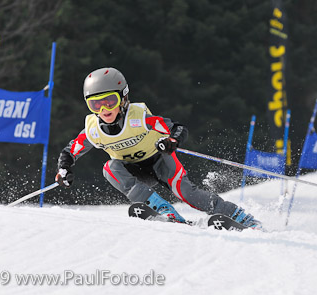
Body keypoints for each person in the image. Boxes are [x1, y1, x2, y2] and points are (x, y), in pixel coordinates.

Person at [55, 67, 261, 228]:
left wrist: (171, 141)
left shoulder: (139, 117)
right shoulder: (93, 130)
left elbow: (178, 128)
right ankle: (162, 209)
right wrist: (64, 170)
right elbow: (69, 152)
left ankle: (238, 216)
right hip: (134, 172)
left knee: (187, 193)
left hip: (161, 162)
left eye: (110, 101)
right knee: (109, 168)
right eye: (95, 104)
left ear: (124, 98)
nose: (104, 109)